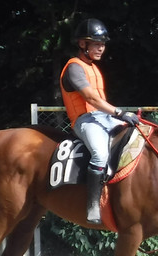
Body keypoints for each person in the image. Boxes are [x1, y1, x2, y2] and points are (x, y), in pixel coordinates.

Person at [59, 18, 139, 224]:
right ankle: (92, 205)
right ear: (82, 44)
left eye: (103, 44)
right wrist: (120, 113)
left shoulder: (93, 68)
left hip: (103, 117)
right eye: (96, 43)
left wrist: (121, 118)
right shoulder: (74, 68)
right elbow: (92, 99)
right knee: (100, 153)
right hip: (84, 121)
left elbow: (100, 104)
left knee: (135, 133)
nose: (101, 48)